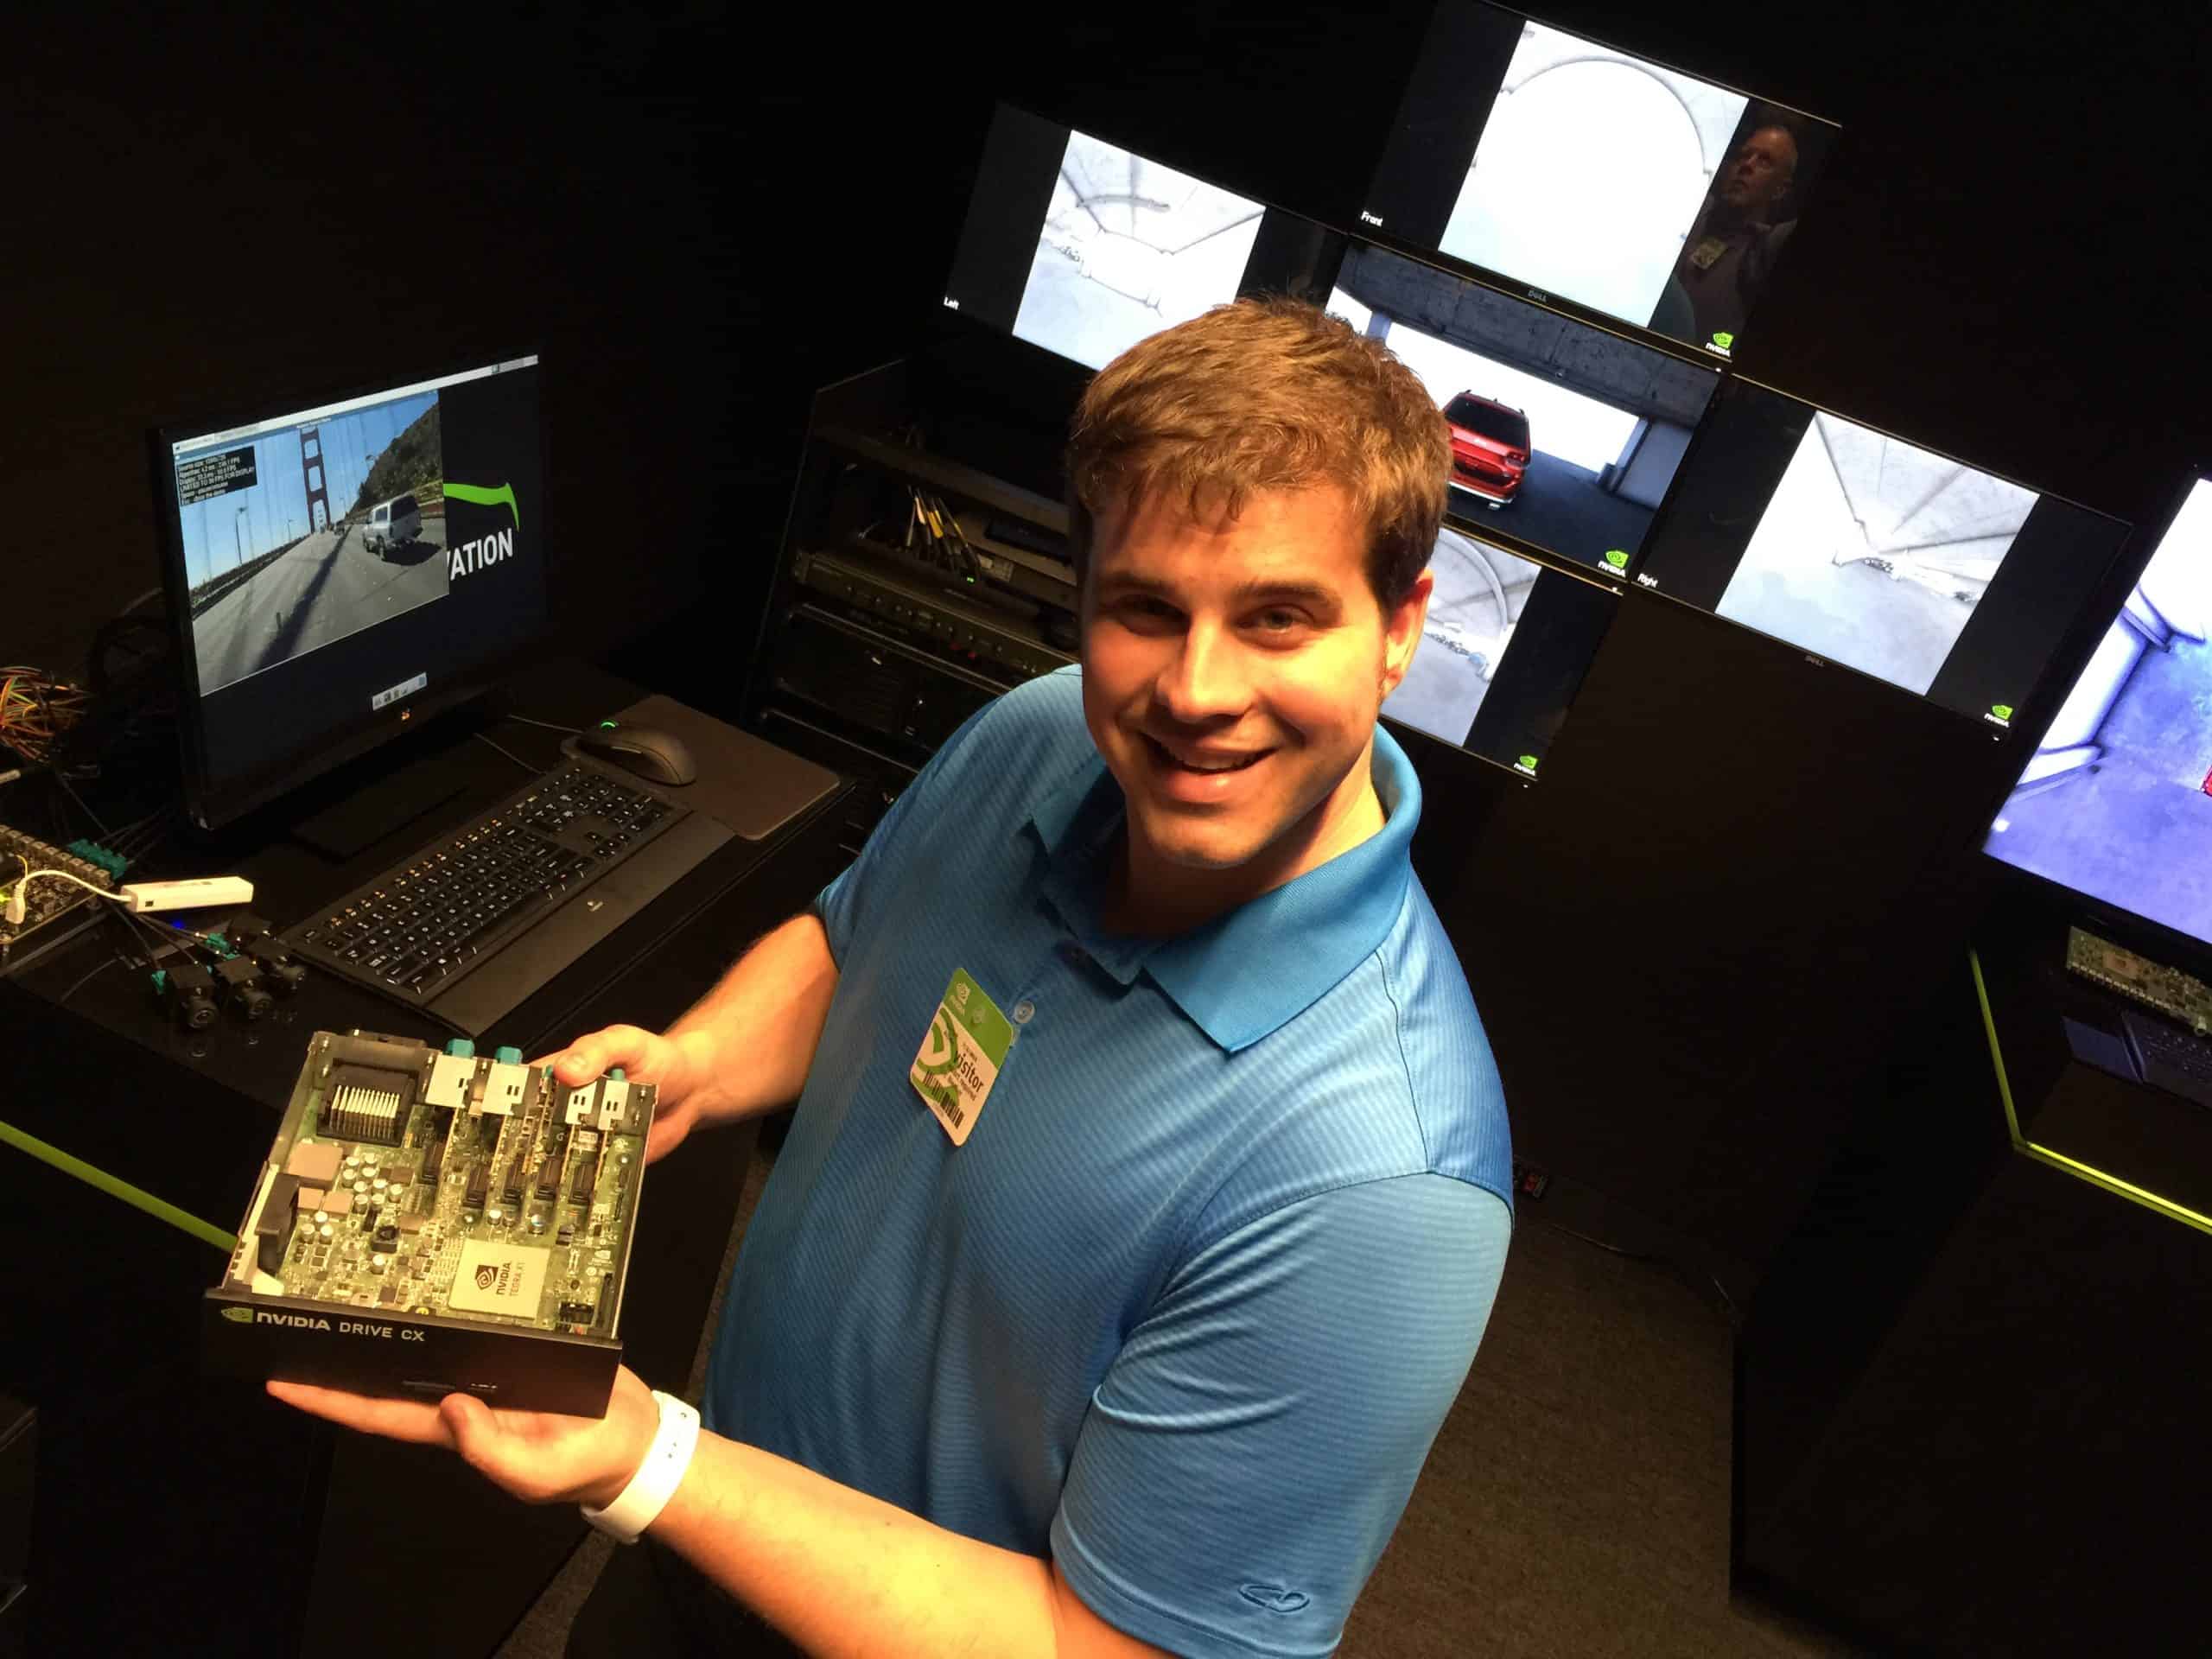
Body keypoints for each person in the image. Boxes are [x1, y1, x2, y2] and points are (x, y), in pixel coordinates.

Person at [269, 296, 1515, 1658]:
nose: (1196, 691)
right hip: (699, 1552)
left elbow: (1121, 1650)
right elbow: (861, 940)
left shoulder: (1384, 1187)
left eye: (1280, 617)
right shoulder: (1044, 737)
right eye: (1147, 609)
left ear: (1400, 628)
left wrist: (654, 1464)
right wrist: (697, 1063)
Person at [1669, 120, 1802, 350]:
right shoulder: (1694, 208)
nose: (1747, 165)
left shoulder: (1764, 248)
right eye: (1743, 156)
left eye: (1765, 161)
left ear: (1780, 189)